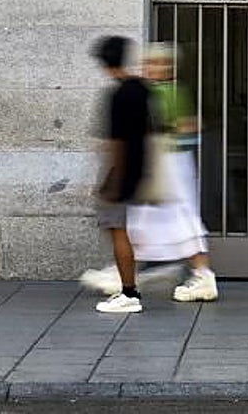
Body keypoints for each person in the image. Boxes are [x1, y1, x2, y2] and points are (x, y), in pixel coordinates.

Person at [80, 43, 218, 302]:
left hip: (170, 164)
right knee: (145, 220)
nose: (152, 68)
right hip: (163, 162)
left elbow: (189, 126)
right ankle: (127, 272)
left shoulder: (169, 92)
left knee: (176, 218)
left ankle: (201, 274)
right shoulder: (153, 89)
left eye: (159, 64)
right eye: (149, 63)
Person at [88, 35, 149, 314]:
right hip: (141, 169)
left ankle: (129, 292)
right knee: (124, 230)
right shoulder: (142, 89)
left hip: (123, 174)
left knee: (118, 230)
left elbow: (117, 143)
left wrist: (113, 179)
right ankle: (128, 286)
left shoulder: (118, 95)